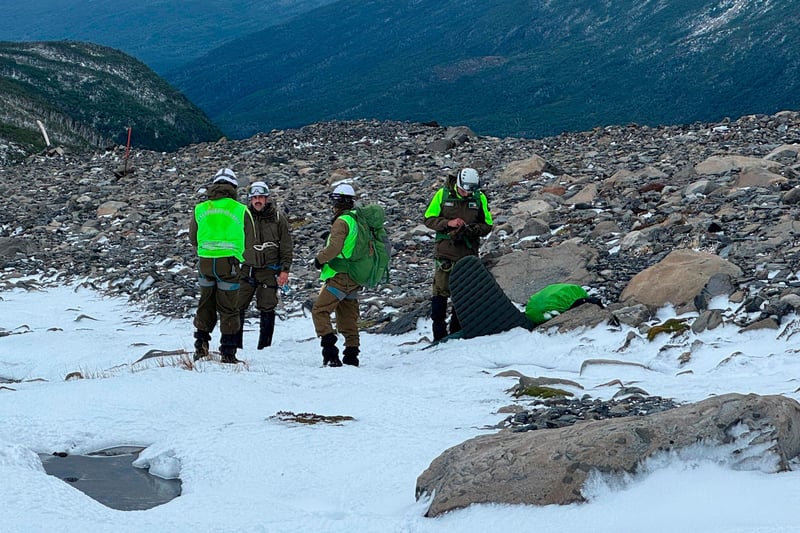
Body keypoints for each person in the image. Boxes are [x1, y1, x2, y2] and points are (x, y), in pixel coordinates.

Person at [423, 167, 493, 341]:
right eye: (463, 191)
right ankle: (439, 335)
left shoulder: (479, 197)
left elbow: (488, 225)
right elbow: (429, 219)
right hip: (445, 253)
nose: (467, 194)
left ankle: (456, 332)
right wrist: (448, 223)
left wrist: (472, 229)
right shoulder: (442, 195)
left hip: (468, 254)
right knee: (440, 292)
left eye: (470, 192)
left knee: (462, 294)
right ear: (458, 185)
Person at [189, 168, 247, 364]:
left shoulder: (200, 208)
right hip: (229, 265)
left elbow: (193, 238)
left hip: (205, 263)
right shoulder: (240, 209)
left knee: (205, 303)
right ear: (234, 186)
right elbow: (251, 238)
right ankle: (228, 352)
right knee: (229, 307)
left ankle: (201, 347)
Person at [235, 180, 293, 350]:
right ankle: (234, 346)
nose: (258, 200)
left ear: (266, 198)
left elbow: (286, 245)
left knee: (267, 307)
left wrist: (285, 270)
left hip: (269, 270)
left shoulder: (278, 218)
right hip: (247, 269)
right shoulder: (242, 217)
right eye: (254, 198)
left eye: (261, 197)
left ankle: (265, 348)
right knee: (237, 305)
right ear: (250, 199)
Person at [311, 183, 362, 367]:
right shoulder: (357, 219)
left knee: (320, 311)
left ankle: (330, 352)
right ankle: (352, 356)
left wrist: (319, 259)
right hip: (354, 276)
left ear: (338, 201)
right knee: (348, 317)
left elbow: (335, 247)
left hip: (340, 276)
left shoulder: (342, 222)